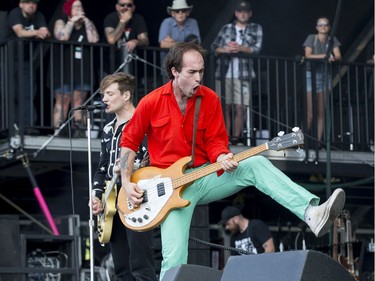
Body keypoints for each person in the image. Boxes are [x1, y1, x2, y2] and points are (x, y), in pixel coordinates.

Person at [118, 41, 345, 280]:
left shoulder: (210, 99)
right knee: (173, 259)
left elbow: (216, 141)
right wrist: (126, 181)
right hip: (170, 191)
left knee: (255, 164)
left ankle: (311, 212)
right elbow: (129, 141)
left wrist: (222, 156)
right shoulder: (151, 102)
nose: (198, 78)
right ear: (174, 71)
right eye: (191, 72)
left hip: (204, 176)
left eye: (201, 72)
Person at [92, 72, 156, 281]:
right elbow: (103, 167)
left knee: (140, 263)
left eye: (110, 94)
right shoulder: (108, 129)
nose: (104, 99)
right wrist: (96, 195)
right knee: (120, 266)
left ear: (126, 95)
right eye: (104, 95)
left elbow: (152, 159)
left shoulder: (143, 122)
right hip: (112, 201)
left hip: (136, 196)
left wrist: (132, 165)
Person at [211, 0, 262, 145]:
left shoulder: (256, 28)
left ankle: (235, 138)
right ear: (236, 13)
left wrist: (240, 48)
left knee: (240, 107)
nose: (243, 14)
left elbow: (256, 49)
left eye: (245, 11)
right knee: (225, 106)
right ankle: (224, 138)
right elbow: (214, 47)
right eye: (240, 11)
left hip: (243, 74)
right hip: (224, 72)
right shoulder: (226, 28)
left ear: (250, 13)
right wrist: (226, 50)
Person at [52, 0, 99, 137]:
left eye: (80, 6)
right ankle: (58, 130)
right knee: (63, 99)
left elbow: (94, 39)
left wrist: (86, 21)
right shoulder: (61, 22)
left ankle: (80, 129)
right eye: (75, 7)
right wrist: (72, 21)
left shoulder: (87, 24)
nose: (79, 9)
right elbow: (62, 37)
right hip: (63, 68)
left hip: (82, 68)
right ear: (68, 10)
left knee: (79, 100)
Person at [5, 0, 50, 133]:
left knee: (28, 91)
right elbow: (20, 32)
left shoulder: (39, 16)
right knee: (11, 92)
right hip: (8, 58)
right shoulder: (15, 13)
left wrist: (42, 32)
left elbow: (46, 32)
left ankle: (28, 125)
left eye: (34, 3)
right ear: (20, 4)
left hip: (25, 59)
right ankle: (11, 127)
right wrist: (37, 32)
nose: (31, 6)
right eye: (27, 2)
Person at [303, 17, 341, 143]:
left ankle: (318, 142)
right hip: (311, 75)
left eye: (325, 25)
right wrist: (325, 57)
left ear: (329, 27)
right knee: (310, 113)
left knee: (321, 111)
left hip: (325, 76)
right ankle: (299, 142)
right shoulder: (311, 38)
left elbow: (338, 56)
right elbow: (307, 55)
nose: (323, 27)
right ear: (317, 27)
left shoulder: (332, 40)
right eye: (320, 25)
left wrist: (332, 58)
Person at [158, 0, 200, 83]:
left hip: (188, 66)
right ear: (173, 13)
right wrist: (186, 44)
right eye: (177, 11)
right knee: (170, 92)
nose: (180, 13)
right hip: (170, 65)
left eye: (183, 11)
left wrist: (173, 42)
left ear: (187, 13)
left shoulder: (193, 22)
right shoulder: (167, 22)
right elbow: (163, 44)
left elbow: (197, 44)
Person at [103, 0, 149, 72]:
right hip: (110, 65)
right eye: (122, 5)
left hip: (132, 66)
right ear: (117, 7)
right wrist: (123, 21)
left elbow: (145, 40)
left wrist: (136, 41)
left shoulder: (138, 19)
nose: (125, 7)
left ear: (133, 7)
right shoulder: (110, 18)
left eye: (129, 5)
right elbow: (111, 39)